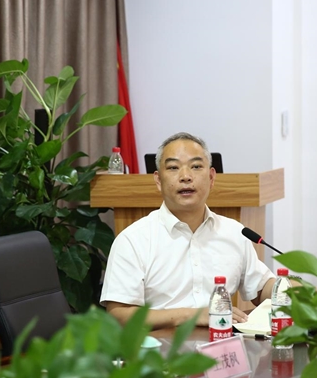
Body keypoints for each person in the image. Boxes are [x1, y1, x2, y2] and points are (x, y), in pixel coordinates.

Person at [101, 132, 277, 329]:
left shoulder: (235, 232)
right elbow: (118, 315)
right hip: (160, 346)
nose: (185, 177)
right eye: (173, 168)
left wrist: (289, 290)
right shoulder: (133, 240)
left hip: (221, 344)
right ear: (158, 180)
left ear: (211, 177)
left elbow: (262, 288)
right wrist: (190, 316)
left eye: (196, 167)